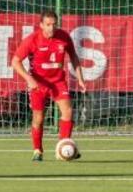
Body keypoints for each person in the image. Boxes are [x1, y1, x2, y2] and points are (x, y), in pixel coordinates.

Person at [11, 10, 86, 161]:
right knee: (38, 118)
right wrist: (29, 79)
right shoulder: (32, 40)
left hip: (57, 82)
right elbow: (15, 61)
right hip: (39, 84)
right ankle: (38, 150)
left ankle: (63, 147)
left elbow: (73, 57)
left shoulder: (64, 37)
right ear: (41, 25)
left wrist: (80, 78)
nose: (51, 28)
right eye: (48, 24)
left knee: (68, 111)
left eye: (54, 24)